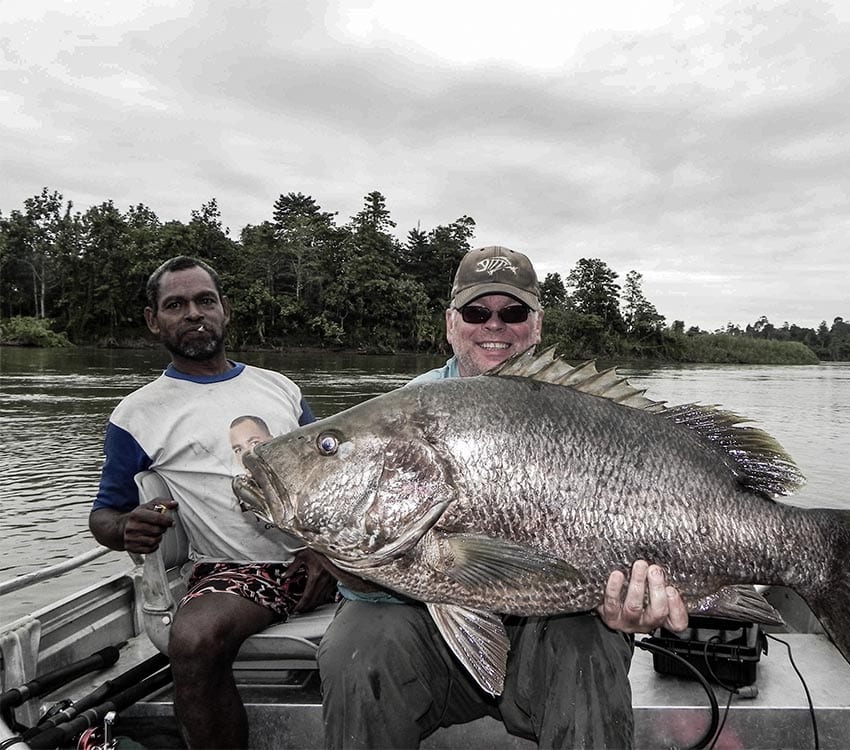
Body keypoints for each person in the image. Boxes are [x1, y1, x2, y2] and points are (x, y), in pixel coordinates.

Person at [317, 245, 689, 749]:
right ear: (451, 323)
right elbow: (371, 587)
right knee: (358, 644)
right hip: (435, 654)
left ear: (536, 325)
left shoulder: (585, 410)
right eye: (477, 312)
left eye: (512, 312)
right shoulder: (402, 413)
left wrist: (629, 608)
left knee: (591, 640)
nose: (495, 325)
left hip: (550, 638)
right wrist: (345, 553)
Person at [88, 256, 336, 750]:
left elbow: (327, 481)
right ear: (153, 320)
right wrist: (124, 530)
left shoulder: (280, 388)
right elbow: (104, 514)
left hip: (324, 555)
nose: (193, 313)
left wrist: (327, 552)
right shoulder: (138, 412)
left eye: (205, 300)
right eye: (175, 305)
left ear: (226, 309)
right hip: (235, 574)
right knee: (194, 640)